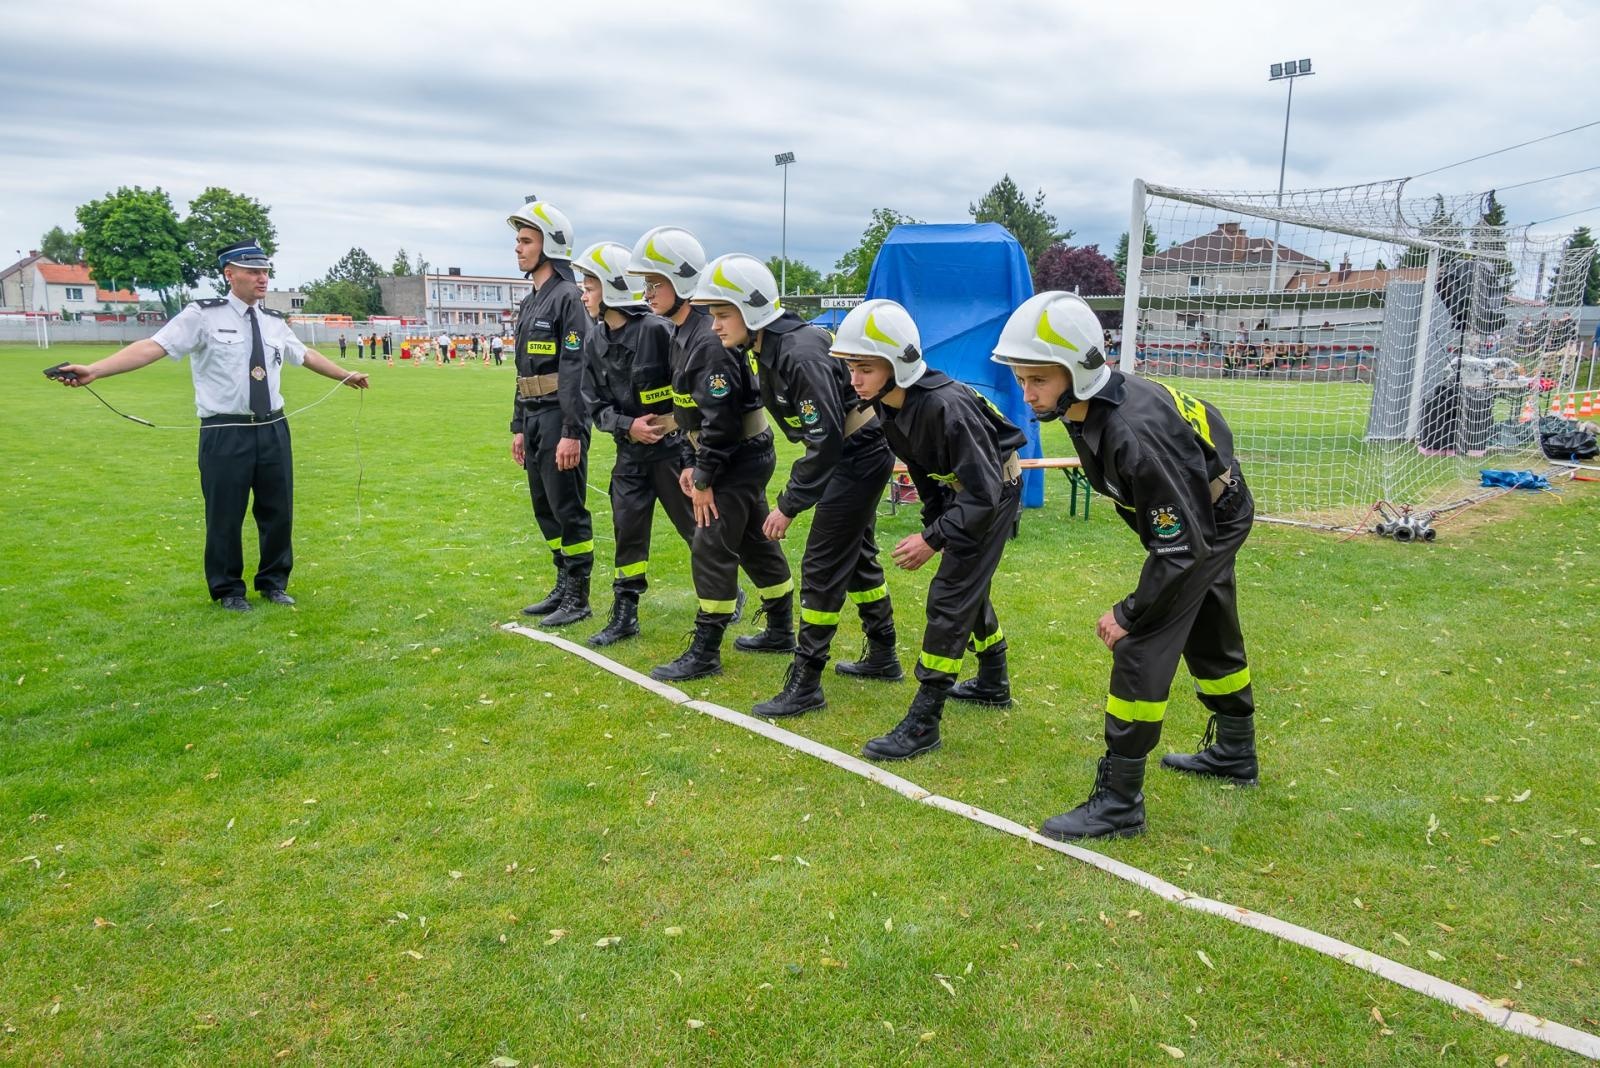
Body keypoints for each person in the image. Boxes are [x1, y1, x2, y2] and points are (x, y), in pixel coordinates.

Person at [991, 291, 1258, 841]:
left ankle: (1119, 801)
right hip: (1201, 514)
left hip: (1209, 520)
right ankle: (1235, 751)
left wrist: (1131, 613)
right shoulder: (1086, 404)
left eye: (1037, 379)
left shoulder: (1133, 432)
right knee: (1208, 621)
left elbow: (1182, 549)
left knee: (1141, 645)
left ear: (1078, 372)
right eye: (1021, 378)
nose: (1027, 392)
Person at [48, 239, 370, 610]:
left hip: (273, 427)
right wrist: (95, 370)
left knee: (278, 511)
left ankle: (273, 583)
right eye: (253, 271)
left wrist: (344, 375)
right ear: (229, 274)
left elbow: (305, 354)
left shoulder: (273, 321)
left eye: (265, 271)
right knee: (225, 514)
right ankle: (228, 589)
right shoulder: (202, 316)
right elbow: (154, 346)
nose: (262, 278)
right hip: (225, 430)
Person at [693, 255, 900, 718]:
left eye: (722, 314)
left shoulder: (797, 352)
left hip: (856, 456)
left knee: (822, 565)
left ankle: (806, 682)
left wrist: (787, 505)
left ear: (751, 310)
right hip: (852, 453)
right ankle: (884, 654)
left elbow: (825, 442)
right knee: (857, 558)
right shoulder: (774, 344)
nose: (714, 325)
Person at [829, 300, 1025, 761]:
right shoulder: (889, 405)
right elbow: (924, 470)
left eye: (864, 369)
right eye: (851, 368)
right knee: (967, 587)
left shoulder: (945, 407)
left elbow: (984, 493)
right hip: (968, 493)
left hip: (993, 493)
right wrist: (935, 524)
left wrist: (933, 539)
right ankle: (993, 680)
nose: (854, 380)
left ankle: (924, 721)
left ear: (898, 365)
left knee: (951, 596)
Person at [626, 226, 790, 681]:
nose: (647, 293)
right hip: (732, 455)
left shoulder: (706, 339)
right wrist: (690, 461)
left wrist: (703, 477)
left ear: (680, 281)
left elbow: (721, 423)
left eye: (654, 283)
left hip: (736, 456)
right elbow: (688, 411)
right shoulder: (685, 331)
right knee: (754, 541)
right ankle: (781, 628)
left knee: (711, 543)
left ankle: (706, 650)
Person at [573, 240, 696, 646]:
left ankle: (724, 594)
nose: (584, 295)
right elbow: (595, 404)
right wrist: (628, 426)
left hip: (672, 453)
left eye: (590, 286)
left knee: (695, 530)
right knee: (628, 532)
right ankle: (625, 613)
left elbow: (689, 387)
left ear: (612, 288)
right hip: (629, 456)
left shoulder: (658, 331)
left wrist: (674, 433)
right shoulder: (594, 341)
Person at [508, 201, 594, 626]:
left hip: (562, 418)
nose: (518, 248)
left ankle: (578, 596)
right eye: (518, 241)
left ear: (551, 245)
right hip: (534, 417)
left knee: (568, 507)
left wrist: (572, 431)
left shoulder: (568, 299)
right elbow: (522, 370)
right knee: (545, 508)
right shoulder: (530, 302)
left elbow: (577, 370)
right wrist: (518, 427)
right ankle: (562, 583)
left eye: (526, 240)